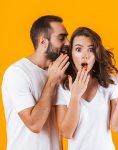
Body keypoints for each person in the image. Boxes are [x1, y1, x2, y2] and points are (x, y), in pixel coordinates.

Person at [55, 27, 118, 150]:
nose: (85, 56)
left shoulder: (109, 83)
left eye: (90, 50)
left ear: (96, 54)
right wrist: (75, 97)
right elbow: (66, 133)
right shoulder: (63, 88)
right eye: (78, 49)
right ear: (71, 54)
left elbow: (117, 127)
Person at [1, 15, 70, 150]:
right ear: (43, 42)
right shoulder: (17, 73)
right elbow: (35, 124)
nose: (67, 42)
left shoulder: (59, 73)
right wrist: (52, 82)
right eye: (61, 38)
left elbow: (60, 128)